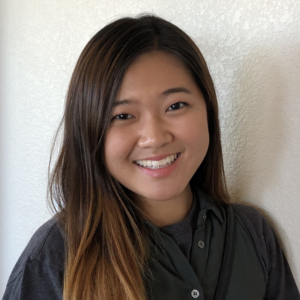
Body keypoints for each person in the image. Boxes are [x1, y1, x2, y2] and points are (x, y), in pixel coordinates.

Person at [3, 15, 300, 300]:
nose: (155, 137)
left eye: (176, 105)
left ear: (208, 110)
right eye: (122, 115)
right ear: (89, 131)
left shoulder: (253, 233)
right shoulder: (53, 260)